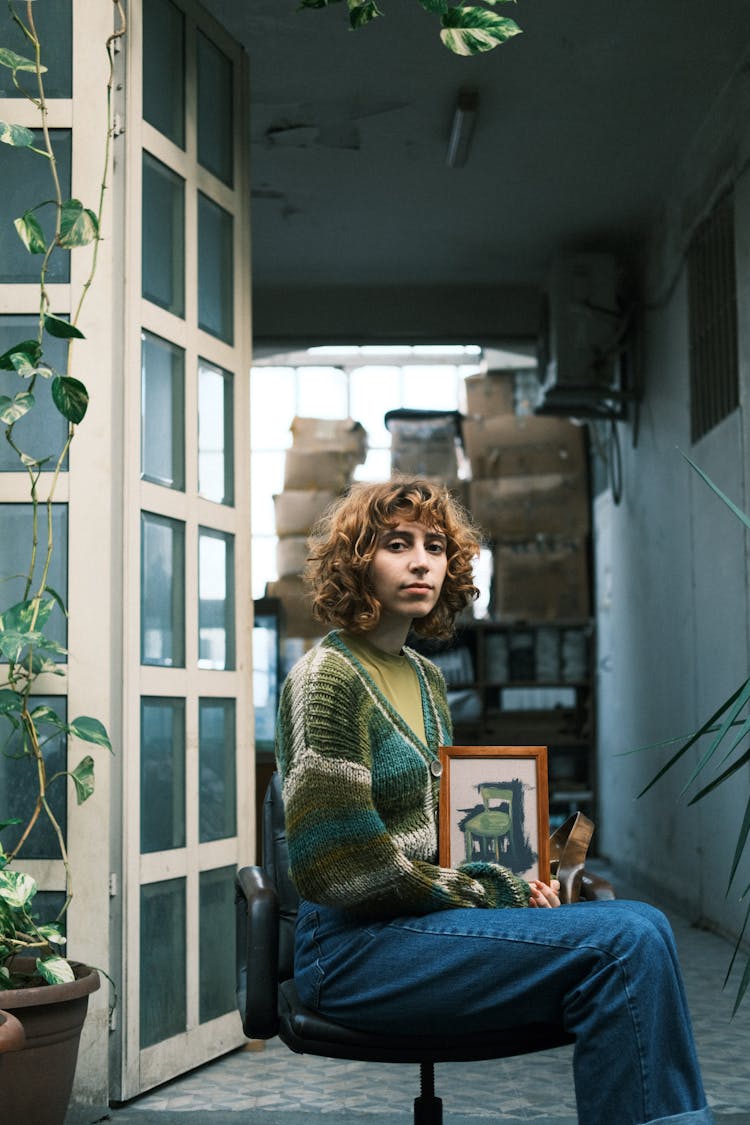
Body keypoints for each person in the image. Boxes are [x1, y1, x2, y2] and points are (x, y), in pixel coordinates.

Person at [275, 477, 712, 1125]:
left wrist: (523, 883)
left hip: (420, 927)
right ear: (357, 559)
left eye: (435, 546)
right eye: (398, 544)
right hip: (351, 950)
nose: (422, 560)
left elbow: (441, 839)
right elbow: (340, 866)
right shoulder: (326, 677)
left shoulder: (425, 678)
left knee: (644, 924)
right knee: (623, 940)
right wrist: (489, 892)